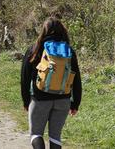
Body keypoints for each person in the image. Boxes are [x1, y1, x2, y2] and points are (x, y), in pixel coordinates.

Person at [21, 17, 82, 149]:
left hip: (39, 99)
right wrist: (75, 103)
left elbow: (24, 78)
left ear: (44, 31)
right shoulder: (69, 51)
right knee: (55, 136)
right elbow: (76, 78)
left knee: (36, 134)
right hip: (63, 100)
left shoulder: (35, 49)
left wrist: (26, 101)